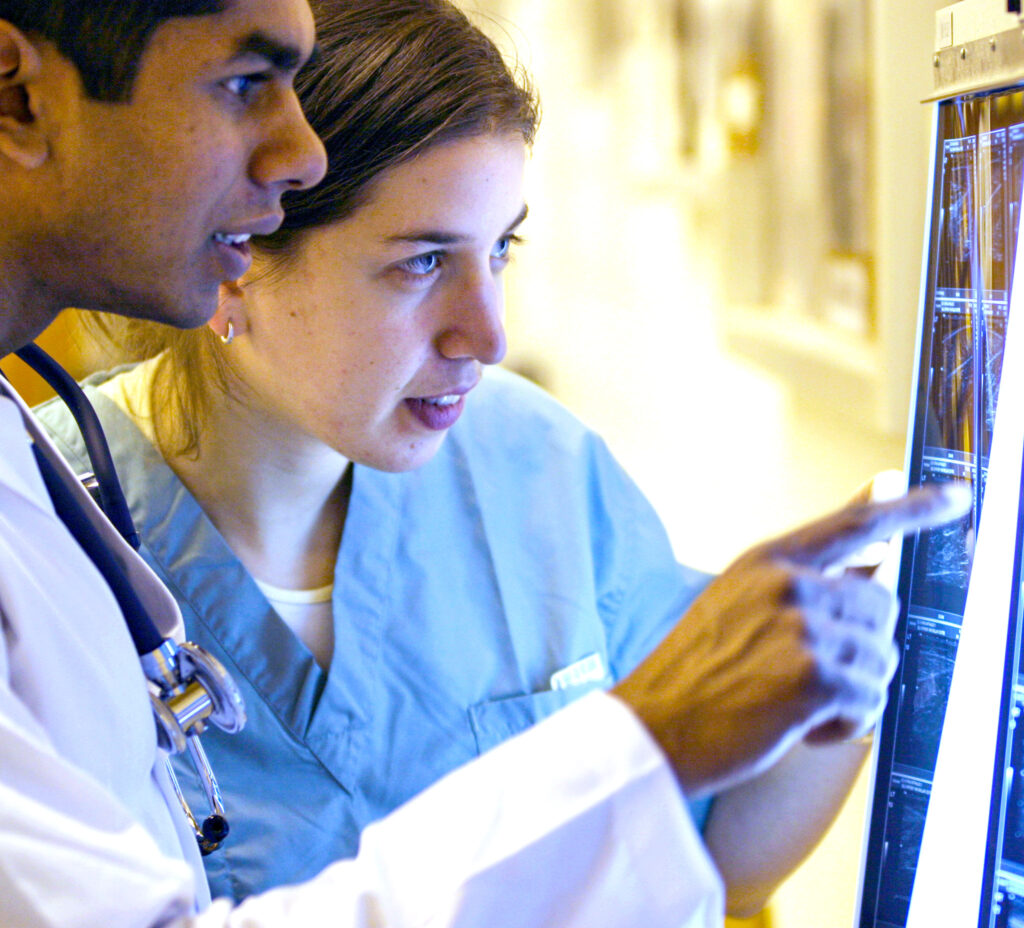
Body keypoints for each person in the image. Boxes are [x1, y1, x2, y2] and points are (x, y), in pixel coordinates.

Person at [0, 0, 968, 925]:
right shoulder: (56, 525)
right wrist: (646, 740)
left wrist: (864, 658)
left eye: (500, 249)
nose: (488, 333)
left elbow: (702, 855)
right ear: (241, 254)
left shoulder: (532, 461)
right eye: (421, 262)